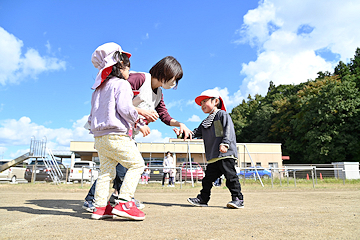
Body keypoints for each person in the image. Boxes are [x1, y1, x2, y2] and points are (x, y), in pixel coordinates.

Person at [82, 55, 193, 211]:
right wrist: (141, 118)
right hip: (115, 129)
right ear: (165, 73)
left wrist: (180, 124)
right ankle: (102, 199)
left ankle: (114, 197)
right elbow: (118, 101)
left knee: (114, 167)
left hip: (127, 132)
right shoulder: (139, 79)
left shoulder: (159, 93)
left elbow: (164, 115)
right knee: (127, 165)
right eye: (174, 79)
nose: (175, 83)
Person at [87, 42, 147, 220]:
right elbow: (125, 108)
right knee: (137, 165)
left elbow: (91, 114)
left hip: (100, 137)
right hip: (117, 135)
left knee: (106, 172)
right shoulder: (122, 84)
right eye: (128, 69)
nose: (129, 73)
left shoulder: (98, 89)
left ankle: (100, 207)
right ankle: (124, 202)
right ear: (120, 67)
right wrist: (139, 120)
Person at [174, 89, 244, 209]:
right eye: (201, 103)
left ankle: (238, 199)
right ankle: (203, 199)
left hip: (225, 154)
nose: (202, 105)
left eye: (205, 101)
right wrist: (182, 134)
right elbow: (194, 133)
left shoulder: (222, 115)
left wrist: (225, 143)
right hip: (214, 157)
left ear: (216, 101)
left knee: (231, 177)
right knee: (207, 180)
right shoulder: (206, 122)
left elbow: (228, 130)